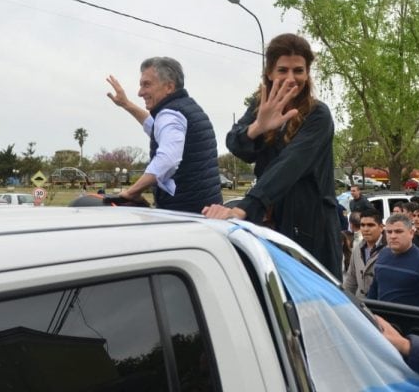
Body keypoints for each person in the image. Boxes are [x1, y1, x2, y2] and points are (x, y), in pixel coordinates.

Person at [202, 34, 341, 278]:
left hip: (311, 230)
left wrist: (246, 207)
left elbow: (290, 165)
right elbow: (235, 143)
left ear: (307, 73)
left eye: (298, 70)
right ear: (269, 73)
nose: (290, 78)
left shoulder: (318, 115)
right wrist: (258, 127)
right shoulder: (261, 107)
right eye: (282, 70)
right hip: (272, 225)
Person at [106, 57, 222, 213]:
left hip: (185, 216)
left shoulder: (170, 114)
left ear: (169, 87)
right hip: (207, 213)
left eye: (146, 85)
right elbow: (155, 128)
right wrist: (126, 104)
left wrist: (131, 192)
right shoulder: (185, 108)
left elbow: (167, 159)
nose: (140, 93)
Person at [367, 214, 419, 311]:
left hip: (413, 324)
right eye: (389, 232)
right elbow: (374, 291)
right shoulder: (382, 255)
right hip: (383, 323)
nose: (393, 236)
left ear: (411, 233)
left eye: (398, 231)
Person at [342, 209, 385, 299]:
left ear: (381, 227)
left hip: (381, 307)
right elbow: (351, 279)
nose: (365, 229)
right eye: (362, 225)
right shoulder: (357, 249)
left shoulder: (390, 249)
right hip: (361, 305)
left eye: (370, 225)